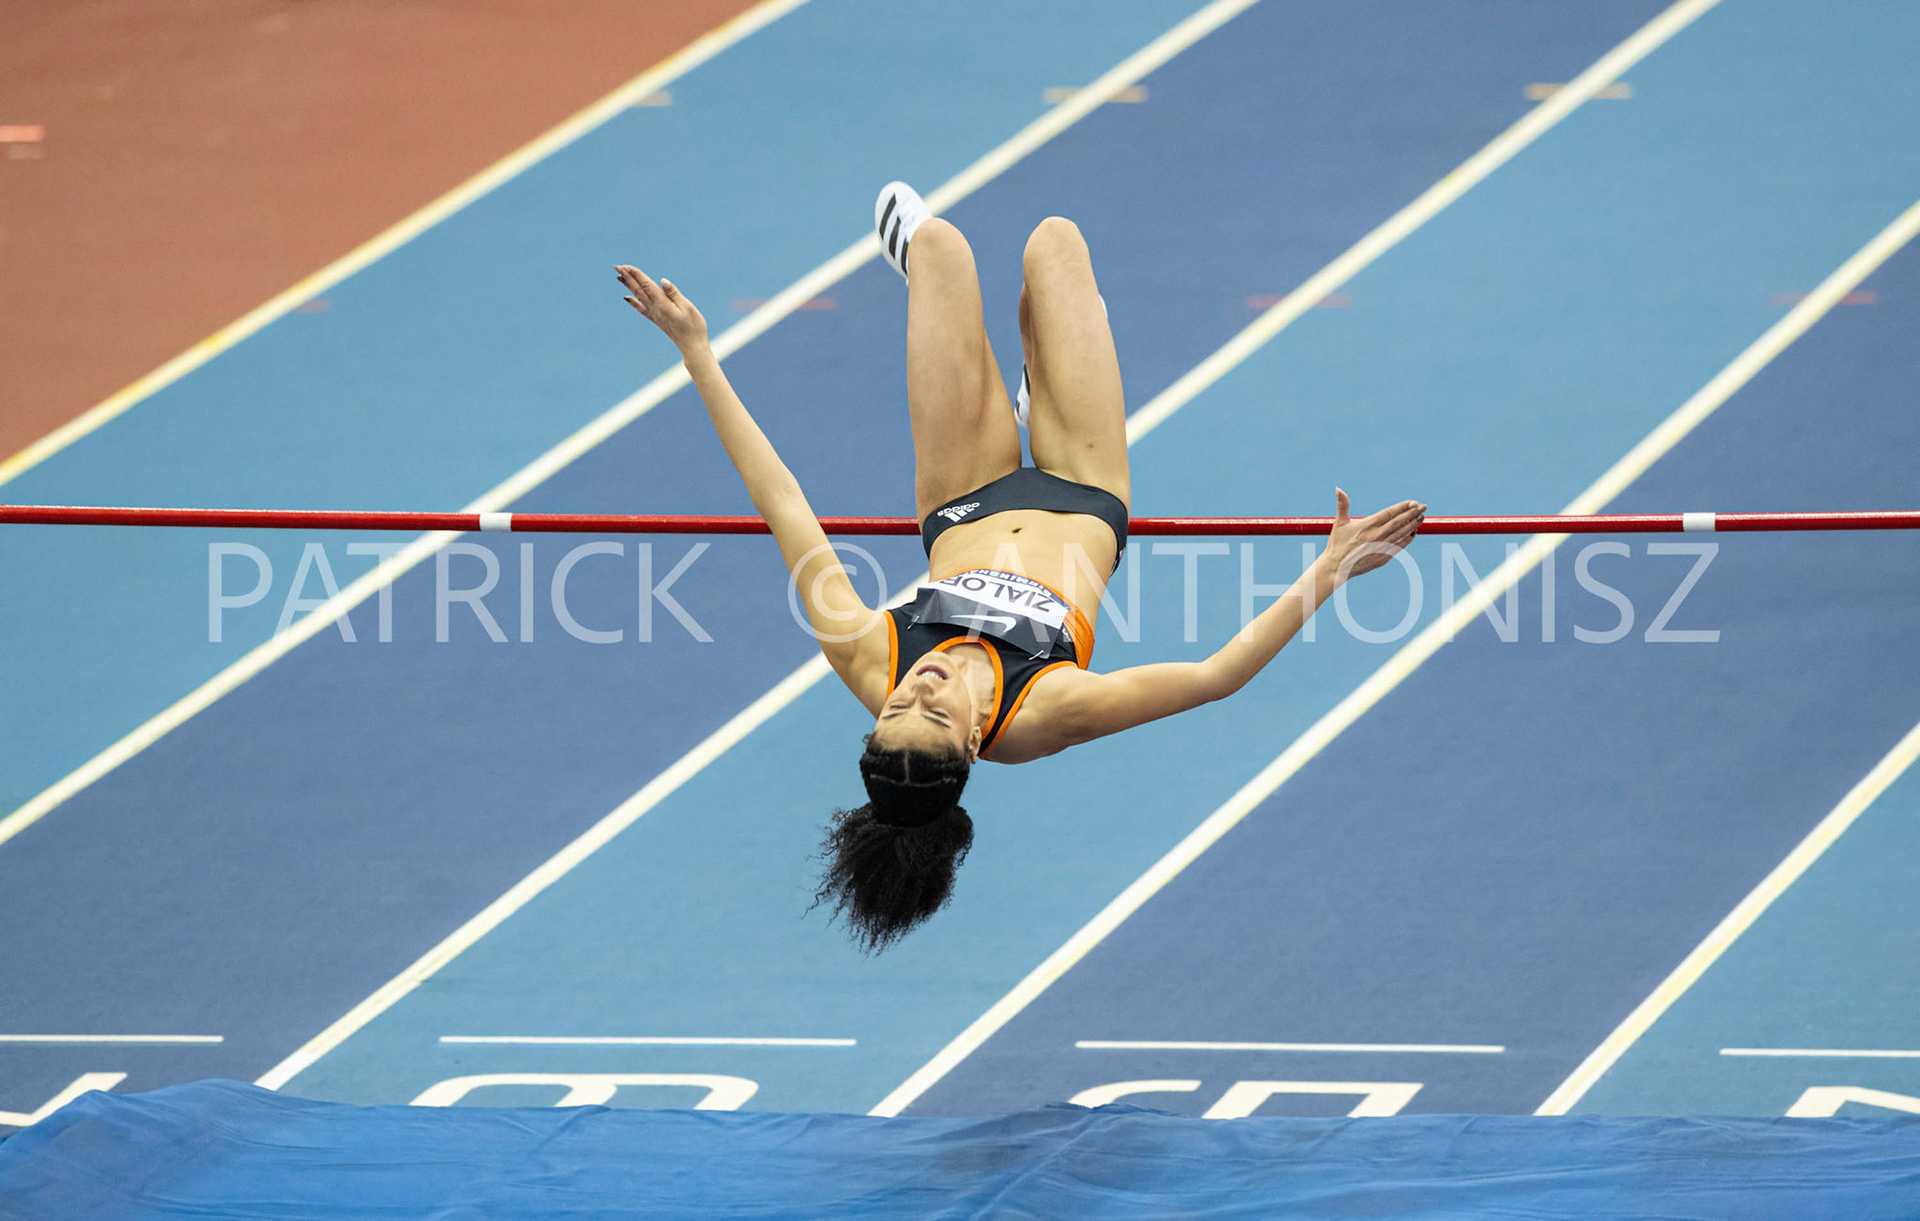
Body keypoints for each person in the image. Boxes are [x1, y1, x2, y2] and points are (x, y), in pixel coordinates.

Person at [617, 183, 1423, 950]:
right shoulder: (1043, 714)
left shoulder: (866, 656)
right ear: (971, 741)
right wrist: (1331, 570)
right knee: (1054, 245)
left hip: (962, 487)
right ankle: (1046, 376)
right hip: (1083, 485)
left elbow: (784, 502)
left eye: (898, 704)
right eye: (932, 713)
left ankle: (1013, 350)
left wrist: (698, 353)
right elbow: (1217, 676)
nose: (920, 687)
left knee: (938, 246)